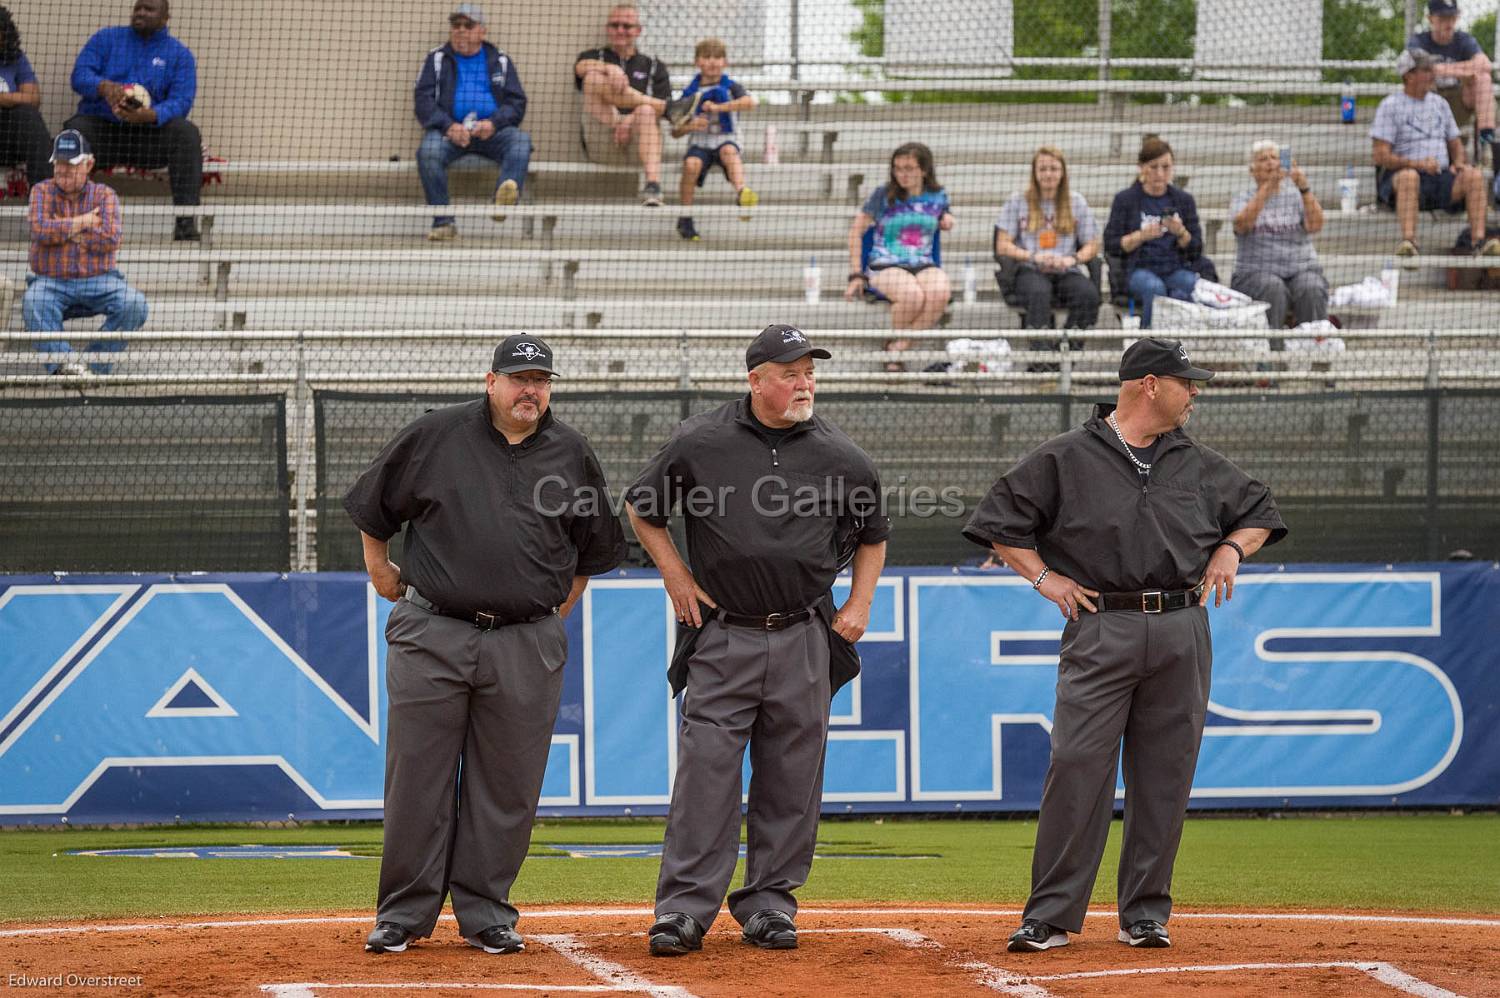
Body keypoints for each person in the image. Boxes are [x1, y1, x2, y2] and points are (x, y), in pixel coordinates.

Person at [962, 337, 1286, 954]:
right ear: (1150, 385)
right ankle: (1051, 915)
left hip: (1182, 627)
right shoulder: (1066, 456)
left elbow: (1260, 511)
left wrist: (1229, 548)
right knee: (1078, 767)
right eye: (1188, 383)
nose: (1196, 394)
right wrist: (1042, 577)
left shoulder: (1196, 460)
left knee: (1165, 775)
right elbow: (998, 522)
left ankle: (1144, 913)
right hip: (1100, 624)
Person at [346, 334, 625, 957]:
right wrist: (380, 572)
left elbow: (594, 549)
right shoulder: (436, 434)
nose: (532, 390)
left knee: (508, 785)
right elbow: (373, 509)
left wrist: (554, 610)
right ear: (490, 380)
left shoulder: (571, 451)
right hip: (433, 633)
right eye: (520, 377)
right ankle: (403, 915)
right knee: (417, 778)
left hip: (526, 642)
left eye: (543, 380)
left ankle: (487, 913)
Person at [626, 324, 889, 958]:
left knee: (792, 776)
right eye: (791, 373)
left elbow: (874, 535)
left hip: (805, 633)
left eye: (810, 373)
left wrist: (859, 602)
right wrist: (676, 575)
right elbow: (641, 507)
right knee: (706, 776)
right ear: (756, 380)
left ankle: (771, 902)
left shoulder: (843, 455)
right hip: (723, 635)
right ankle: (685, 909)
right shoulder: (701, 441)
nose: (805, 384)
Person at [65, 0, 202, 242]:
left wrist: (152, 115)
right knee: (75, 131)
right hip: (104, 131)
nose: (140, 13)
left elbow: (182, 101)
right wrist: (103, 86)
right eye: (137, 7)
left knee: (186, 133)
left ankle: (185, 222)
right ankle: (71, 220)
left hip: (148, 136)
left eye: (149, 9)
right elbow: (79, 76)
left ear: (165, 17)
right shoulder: (106, 39)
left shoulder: (180, 55)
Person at [23, 129, 147, 375]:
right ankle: (66, 365)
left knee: (135, 304)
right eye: (58, 163)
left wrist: (64, 228)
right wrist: (84, 222)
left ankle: (94, 364)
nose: (63, 169)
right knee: (33, 301)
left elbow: (110, 239)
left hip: (100, 280)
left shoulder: (104, 194)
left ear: (88, 164)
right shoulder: (41, 191)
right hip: (51, 282)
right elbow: (41, 231)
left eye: (71, 163)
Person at [414, 3, 532, 242]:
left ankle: (501, 203)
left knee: (521, 142)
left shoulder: (501, 61)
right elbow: (422, 101)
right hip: (451, 133)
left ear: (482, 32)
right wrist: (449, 126)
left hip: (490, 133)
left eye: (468, 25)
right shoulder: (436, 59)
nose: (460, 30)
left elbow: (516, 102)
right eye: (456, 25)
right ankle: (444, 222)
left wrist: (494, 123)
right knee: (428, 152)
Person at [1374, 48, 1497, 265]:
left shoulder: (1439, 104)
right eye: (1426, 69)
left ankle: (1479, 243)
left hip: (1440, 177)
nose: (1433, 73)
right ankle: (1409, 243)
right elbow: (1380, 155)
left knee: (1474, 175)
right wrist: (1416, 164)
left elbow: (1456, 145)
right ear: (1409, 75)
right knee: (1409, 177)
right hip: (1402, 179)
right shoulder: (1390, 105)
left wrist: (1459, 163)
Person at [844, 142, 954, 370]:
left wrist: (947, 219)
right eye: (898, 168)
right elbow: (856, 231)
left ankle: (897, 347)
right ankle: (894, 357)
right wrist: (856, 274)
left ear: (924, 170)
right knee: (912, 295)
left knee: (940, 292)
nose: (902, 174)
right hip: (885, 265)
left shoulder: (938, 195)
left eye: (909, 168)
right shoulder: (883, 195)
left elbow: (944, 216)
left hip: (922, 263)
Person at [993, 145, 1101, 358]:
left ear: (1062, 172)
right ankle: (1041, 359)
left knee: (1088, 295)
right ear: (1035, 173)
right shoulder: (1018, 201)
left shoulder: (1076, 202)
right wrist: (1033, 256)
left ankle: (1066, 355)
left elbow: (1093, 244)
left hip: (1065, 270)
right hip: (1030, 269)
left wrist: (1073, 259)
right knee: (1039, 292)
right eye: (1043, 169)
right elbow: (1002, 244)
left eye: (1053, 168)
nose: (1048, 174)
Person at [573, 2, 679, 207]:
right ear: (607, 29)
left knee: (647, 110)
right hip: (603, 137)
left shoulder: (655, 66)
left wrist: (629, 121)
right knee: (593, 77)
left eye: (627, 26)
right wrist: (609, 69)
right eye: (614, 25)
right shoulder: (593, 57)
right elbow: (580, 68)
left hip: (641, 141)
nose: (620, 30)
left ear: (638, 30)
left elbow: (653, 112)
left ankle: (653, 186)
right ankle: (668, 108)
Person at [1104, 136, 1211, 329]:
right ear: (1141, 167)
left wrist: (1181, 232)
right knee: (1155, 289)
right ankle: (1150, 349)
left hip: (1174, 268)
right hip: (1138, 270)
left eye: (1166, 167)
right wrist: (1141, 235)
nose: (1160, 173)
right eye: (1153, 167)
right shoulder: (1125, 200)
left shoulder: (1183, 200)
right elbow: (1111, 244)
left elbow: (1196, 248)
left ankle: (1187, 347)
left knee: (1194, 287)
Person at [1229, 140, 1329, 328]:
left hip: (1301, 268)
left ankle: (1315, 350)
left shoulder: (1297, 196)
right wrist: (1267, 188)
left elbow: (1316, 225)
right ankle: (1270, 354)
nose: (1270, 163)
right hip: (1256, 271)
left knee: (1312, 287)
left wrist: (1304, 187)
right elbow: (1241, 225)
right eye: (1263, 159)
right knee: (1272, 288)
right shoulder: (1242, 198)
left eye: (1274, 158)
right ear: (1252, 170)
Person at [673, 38, 757, 242]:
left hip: (726, 140)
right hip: (700, 144)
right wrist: (692, 125)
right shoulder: (690, 93)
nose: (712, 62)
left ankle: (742, 193)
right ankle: (685, 216)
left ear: (725, 62)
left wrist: (719, 108)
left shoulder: (732, 87)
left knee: (729, 152)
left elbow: (750, 102)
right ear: (697, 62)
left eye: (717, 57)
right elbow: (676, 131)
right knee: (691, 164)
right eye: (707, 57)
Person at [1408, 0, 1495, 155]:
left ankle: (1487, 142)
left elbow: (1485, 65)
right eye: (1442, 18)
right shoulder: (1419, 40)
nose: (1448, 23)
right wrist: (1463, 71)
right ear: (1430, 19)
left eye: (1452, 18)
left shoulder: (1464, 39)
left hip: (1458, 101)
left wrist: (1442, 69)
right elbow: (1421, 67)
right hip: (1428, 101)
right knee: (1419, 78)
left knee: (1484, 79)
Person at [0, 5, 50, 186]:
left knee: (27, 114)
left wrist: (4, 99)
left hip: (7, 139)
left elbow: (33, 98)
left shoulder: (15, 58)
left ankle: (43, 192)